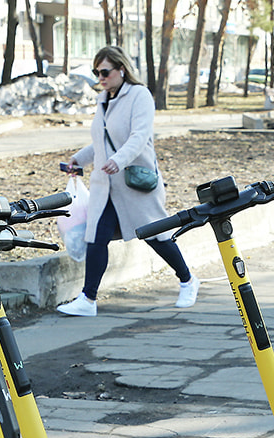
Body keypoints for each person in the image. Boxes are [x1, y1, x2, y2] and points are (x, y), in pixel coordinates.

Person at [57, 45, 198, 317]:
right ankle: (88, 299)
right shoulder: (104, 100)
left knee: (156, 235)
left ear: (121, 69)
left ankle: (188, 280)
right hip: (105, 185)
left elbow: (139, 136)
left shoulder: (139, 95)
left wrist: (119, 161)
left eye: (105, 71)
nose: (101, 77)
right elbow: (101, 141)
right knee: (96, 238)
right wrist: (78, 159)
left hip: (136, 183)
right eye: (96, 72)